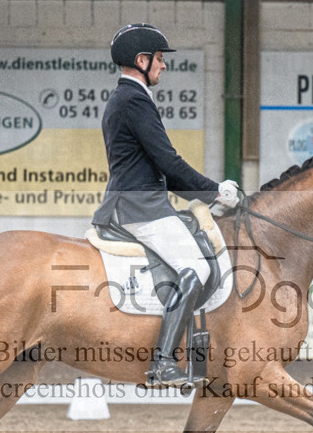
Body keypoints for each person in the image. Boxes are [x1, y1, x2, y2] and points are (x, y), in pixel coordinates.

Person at [92, 23, 240, 387]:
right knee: (197, 269)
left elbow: (165, 170)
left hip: (137, 201)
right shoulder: (133, 99)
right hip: (140, 207)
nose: (163, 66)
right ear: (141, 61)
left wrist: (206, 195)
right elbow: (168, 161)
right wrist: (217, 190)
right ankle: (162, 364)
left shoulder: (126, 98)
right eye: (159, 59)